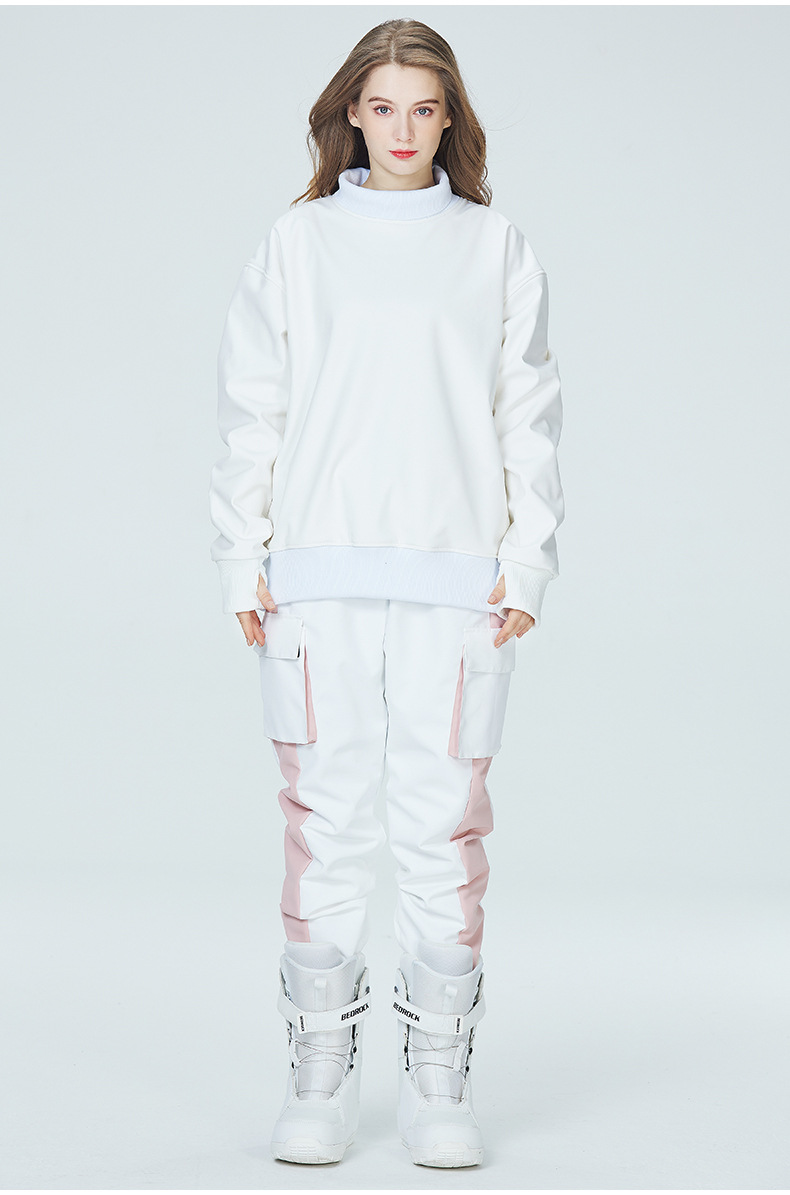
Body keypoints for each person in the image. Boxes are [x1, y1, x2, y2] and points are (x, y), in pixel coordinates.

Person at [208, 17, 565, 1170]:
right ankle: (318, 1078)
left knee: (441, 827)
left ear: (448, 118)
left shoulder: (494, 247)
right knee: (322, 823)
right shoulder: (298, 242)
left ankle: (436, 1083)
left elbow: (528, 410)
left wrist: (527, 560)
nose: (402, 129)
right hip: (314, 580)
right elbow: (253, 404)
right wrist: (242, 555)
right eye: (382, 107)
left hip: (458, 583)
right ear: (350, 115)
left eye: (423, 108)